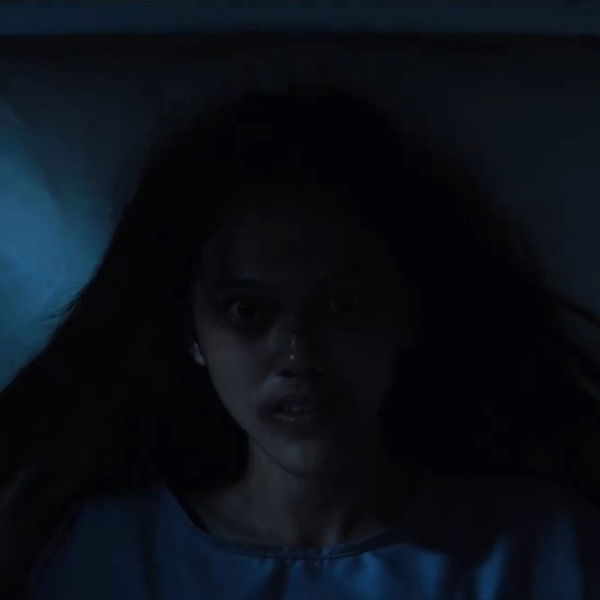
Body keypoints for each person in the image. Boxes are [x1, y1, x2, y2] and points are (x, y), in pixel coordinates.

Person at [0, 84, 599, 599]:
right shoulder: (108, 554)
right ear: (191, 332)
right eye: (247, 310)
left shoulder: (538, 548)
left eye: (342, 307)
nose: (299, 355)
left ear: (406, 314)